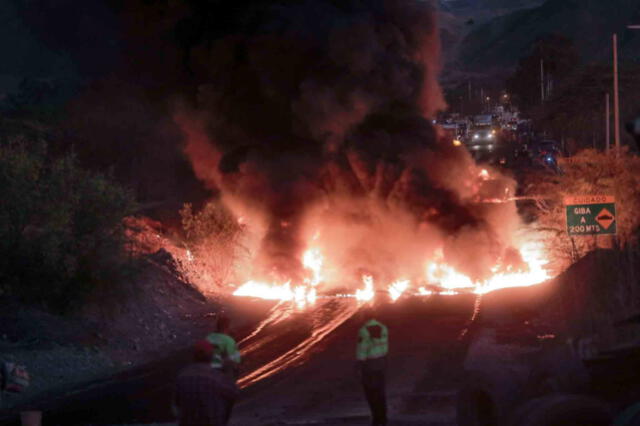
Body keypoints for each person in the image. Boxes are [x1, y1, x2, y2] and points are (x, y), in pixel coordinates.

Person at [174, 339, 238, 426]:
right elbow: (232, 394)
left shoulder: (182, 375)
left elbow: (176, 404)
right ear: (210, 355)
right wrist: (229, 371)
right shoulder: (217, 377)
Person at [356, 305, 389, 426]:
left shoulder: (364, 330)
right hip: (381, 362)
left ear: (365, 316)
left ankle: (376, 419)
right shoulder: (383, 328)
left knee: (370, 392)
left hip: (369, 365)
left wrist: (359, 365)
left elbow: (362, 349)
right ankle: (383, 417)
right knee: (380, 392)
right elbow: (385, 346)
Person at [206, 314, 241, 423]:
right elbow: (233, 361)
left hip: (207, 373)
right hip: (222, 374)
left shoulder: (209, 338)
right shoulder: (228, 340)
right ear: (227, 326)